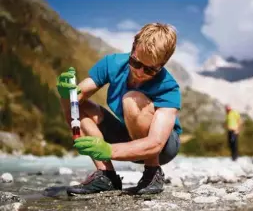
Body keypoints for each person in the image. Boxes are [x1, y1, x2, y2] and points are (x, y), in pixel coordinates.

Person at [56, 23, 182, 196]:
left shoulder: (168, 87)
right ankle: (106, 176)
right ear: (132, 48)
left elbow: (156, 143)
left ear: (162, 64)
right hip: (130, 136)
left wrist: (108, 150)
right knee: (80, 105)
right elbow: (76, 99)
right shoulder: (112, 63)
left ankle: (153, 172)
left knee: (132, 99)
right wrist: (66, 94)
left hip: (163, 147)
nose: (139, 72)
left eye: (150, 69)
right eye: (135, 62)